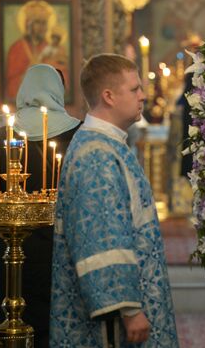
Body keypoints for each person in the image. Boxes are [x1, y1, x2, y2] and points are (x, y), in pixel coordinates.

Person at [49, 53, 178, 347]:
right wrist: (129, 310)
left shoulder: (107, 145)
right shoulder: (96, 154)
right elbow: (100, 237)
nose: (143, 96)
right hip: (113, 322)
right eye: (134, 89)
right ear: (108, 95)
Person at [0, 64, 82, 348]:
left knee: (9, 325)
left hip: (8, 249)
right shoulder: (76, 133)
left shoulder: (1, 135)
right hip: (60, 249)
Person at [5, 0, 54, 100]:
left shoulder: (52, 49)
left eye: (44, 23)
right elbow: (11, 85)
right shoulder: (16, 48)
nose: (42, 27)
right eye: (38, 23)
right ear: (28, 25)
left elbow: (63, 81)